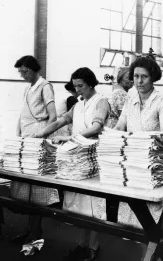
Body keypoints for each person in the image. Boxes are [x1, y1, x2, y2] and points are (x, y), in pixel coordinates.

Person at [35, 67, 111, 261]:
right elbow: (61, 120)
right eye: (75, 86)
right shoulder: (78, 104)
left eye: (81, 86)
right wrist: (41, 134)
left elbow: (96, 126)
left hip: (93, 158)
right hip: (74, 159)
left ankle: (93, 247)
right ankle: (81, 245)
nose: (77, 90)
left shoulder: (100, 101)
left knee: (92, 206)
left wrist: (71, 137)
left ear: (91, 84)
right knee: (78, 207)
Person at [114, 56, 163, 230]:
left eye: (144, 77)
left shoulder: (162, 102)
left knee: (151, 219)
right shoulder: (130, 97)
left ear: (153, 77)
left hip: (152, 164)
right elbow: (120, 125)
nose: (139, 81)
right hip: (131, 162)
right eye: (135, 76)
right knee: (132, 217)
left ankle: (151, 253)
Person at [11, 55, 59, 245]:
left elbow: (53, 116)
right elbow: (22, 115)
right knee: (27, 188)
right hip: (25, 140)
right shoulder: (28, 88)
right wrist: (18, 136)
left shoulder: (44, 86)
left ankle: (36, 233)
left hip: (38, 140)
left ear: (31, 69)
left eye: (23, 71)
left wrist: (42, 138)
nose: (22, 75)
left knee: (38, 189)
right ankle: (29, 230)